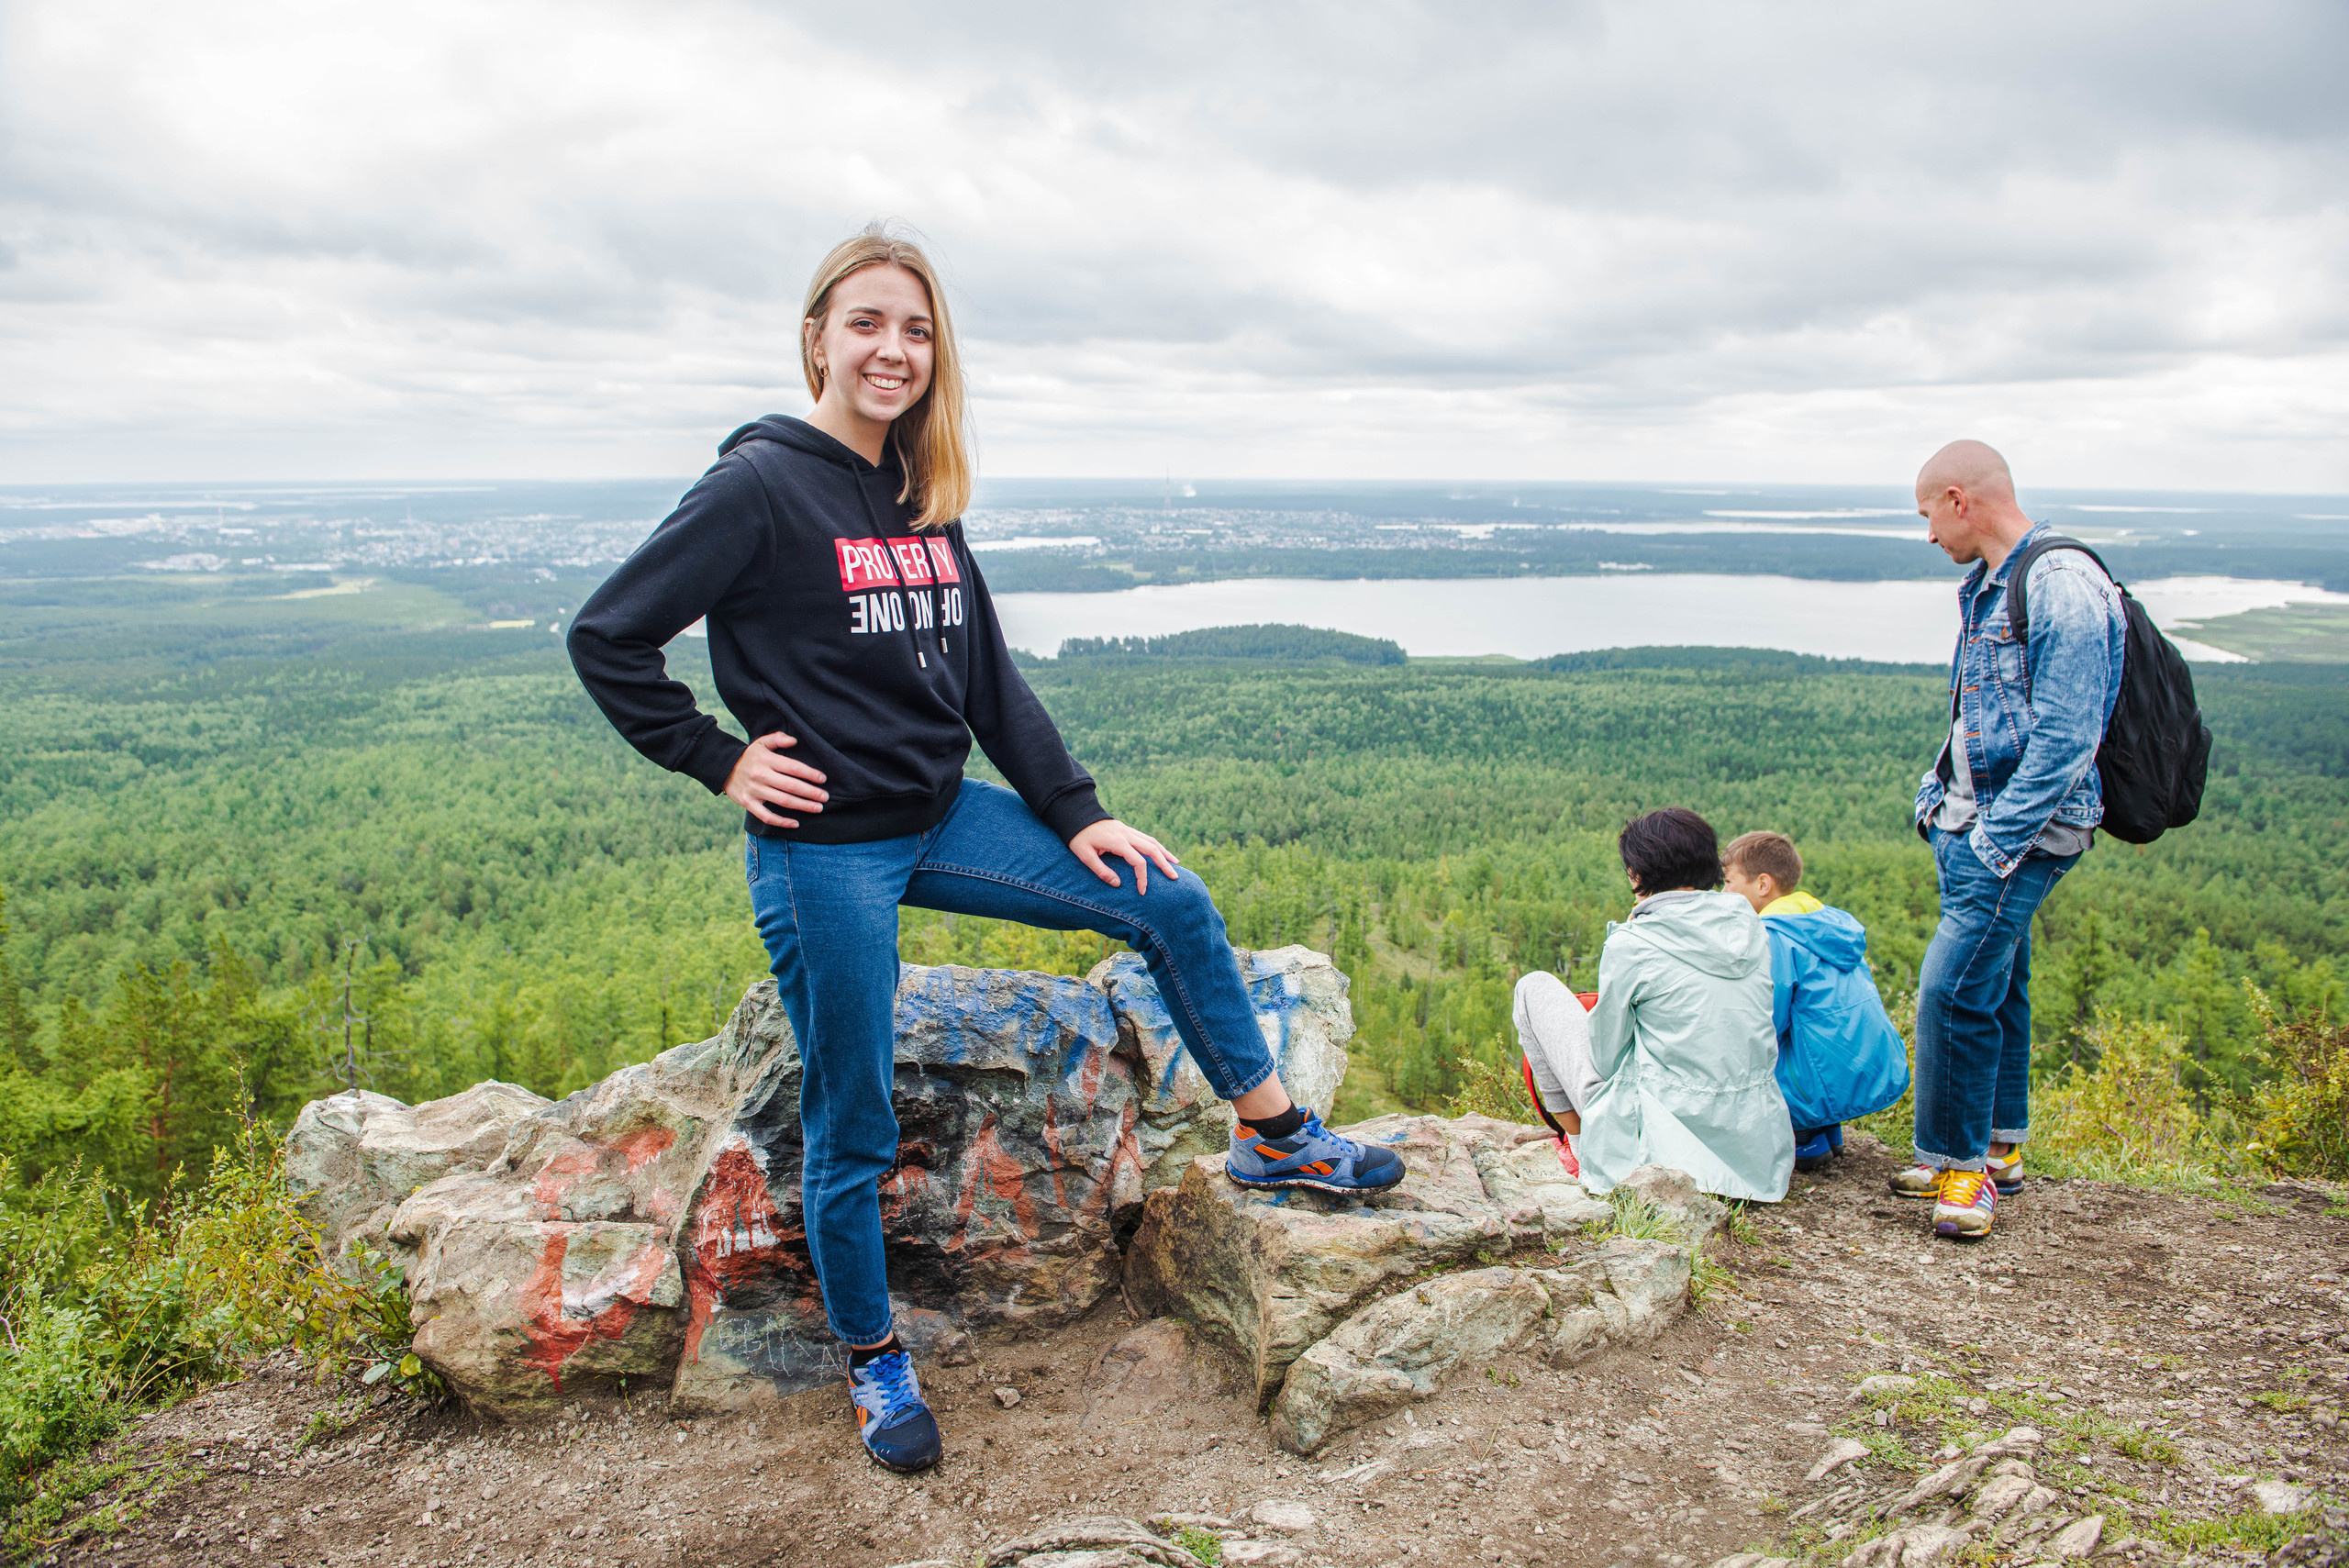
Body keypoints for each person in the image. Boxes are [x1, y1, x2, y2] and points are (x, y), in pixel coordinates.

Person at [565, 227, 1402, 1474]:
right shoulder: (756, 486)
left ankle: (1274, 1131)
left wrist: (1075, 809)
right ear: (816, 339)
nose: (892, 349)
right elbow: (608, 635)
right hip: (824, 851)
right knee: (854, 1114)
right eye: (866, 323)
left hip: (940, 812)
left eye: (915, 329)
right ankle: (871, 1353)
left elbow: (985, 676)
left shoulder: (918, 489)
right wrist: (717, 756)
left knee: (1167, 897)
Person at [1903, 439, 2124, 1241]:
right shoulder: (1993, 584)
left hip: (2015, 834)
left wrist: (1994, 840)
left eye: (1928, 512)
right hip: (1972, 820)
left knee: (1953, 988)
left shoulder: (2060, 585)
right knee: (1998, 977)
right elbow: (1983, 712)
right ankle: (1997, 1147)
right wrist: (1943, 802)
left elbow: (2068, 737)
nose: (1928, 533)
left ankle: (1961, 1170)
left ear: (1960, 499)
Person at [1512, 808, 1794, 1202]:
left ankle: (1579, 1149)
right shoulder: (1752, 928)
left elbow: (1605, 1059)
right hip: (1754, 1158)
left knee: (1533, 989)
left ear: (1636, 873)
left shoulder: (1633, 943)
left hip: (1660, 1152)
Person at [1722, 830, 1909, 1174]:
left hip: (1828, 1072)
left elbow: (1767, 1020)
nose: (1724, 893)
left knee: (1750, 1047)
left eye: (1729, 882)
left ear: (1763, 885)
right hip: (1866, 1061)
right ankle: (1825, 1126)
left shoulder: (1774, 936)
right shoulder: (1822, 921)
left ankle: (1803, 1135)